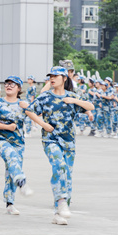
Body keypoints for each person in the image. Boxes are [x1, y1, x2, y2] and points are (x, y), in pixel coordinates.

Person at [25, 66, 94, 226]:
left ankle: (59, 212)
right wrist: (43, 124)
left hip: (68, 141)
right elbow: (29, 110)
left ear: (64, 79)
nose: (52, 78)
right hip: (51, 140)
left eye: (56, 76)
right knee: (59, 166)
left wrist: (74, 101)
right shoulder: (45, 97)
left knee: (67, 176)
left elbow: (90, 107)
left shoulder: (71, 96)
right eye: (51, 76)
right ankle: (61, 200)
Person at [0, 76, 34, 216]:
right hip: (1, 140)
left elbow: (38, 115)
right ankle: (22, 181)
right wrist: (6, 127)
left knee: (11, 170)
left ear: (19, 88)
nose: (8, 86)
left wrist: (30, 109)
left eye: (13, 85)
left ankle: (10, 203)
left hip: (18, 143)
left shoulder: (23, 104)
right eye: (7, 84)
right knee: (11, 156)